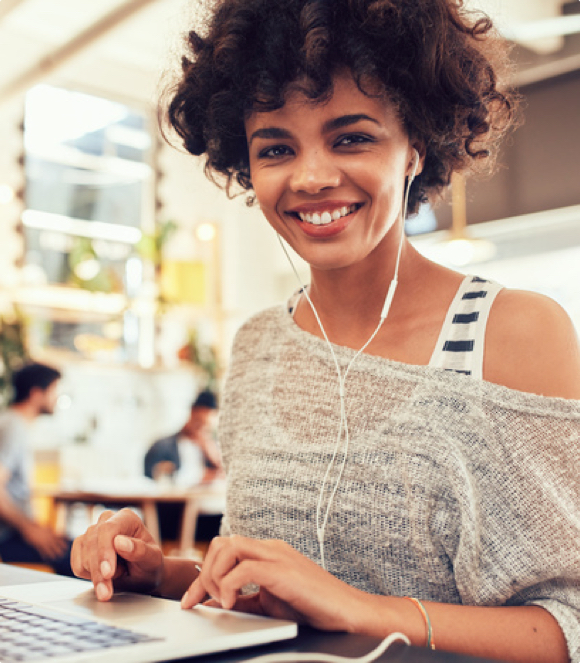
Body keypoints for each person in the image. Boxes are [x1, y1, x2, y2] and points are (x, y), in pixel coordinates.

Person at [70, 1, 580, 661]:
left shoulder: (512, 332)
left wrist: (360, 610)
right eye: (276, 147)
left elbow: (567, 624)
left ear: (416, 146)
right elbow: (265, 596)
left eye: (352, 136)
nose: (310, 175)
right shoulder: (258, 348)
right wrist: (158, 572)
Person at [0, 362, 73, 575]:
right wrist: (30, 530)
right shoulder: (14, 426)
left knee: (78, 548)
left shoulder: (10, 422)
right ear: (36, 393)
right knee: (83, 556)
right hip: (8, 539)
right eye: (53, 391)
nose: (57, 398)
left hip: (14, 534)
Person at [144, 389, 222, 543]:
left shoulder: (211, 450)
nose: (201, 429)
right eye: (199, 422)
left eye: (206, 426)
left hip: (206, 516)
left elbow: (226, 476)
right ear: (191, 413)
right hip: (173, 515)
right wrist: (200, 478)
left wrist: (210, 452)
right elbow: (153, 476)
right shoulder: (163, 446)